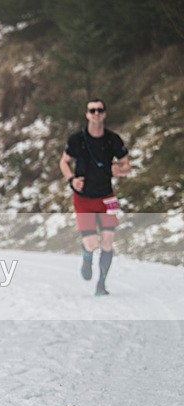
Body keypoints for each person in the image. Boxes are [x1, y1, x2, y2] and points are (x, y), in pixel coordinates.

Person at [59, 98, 130, 296]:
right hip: (83, 198)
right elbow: (64, 162)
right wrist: (72, 180)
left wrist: (119, 170)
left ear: (105, 114)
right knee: (92, 242)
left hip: (107, 197)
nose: (96, 114)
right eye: (92, 110)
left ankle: (102, 284)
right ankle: (86, 256)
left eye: (100, 110)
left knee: (107, 241)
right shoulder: (77, 140)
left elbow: (127, 165)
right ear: (87, 114)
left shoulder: (113, 139)